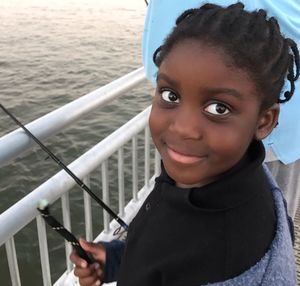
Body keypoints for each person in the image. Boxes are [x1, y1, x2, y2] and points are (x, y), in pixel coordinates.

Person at [70, 3, 299, 285]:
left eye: (219, 108)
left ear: (264, 121)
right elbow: (163, 246)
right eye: (170, 95)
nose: (183, 128)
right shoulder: (219, 175)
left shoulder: (227, 268)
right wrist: (117, 259)